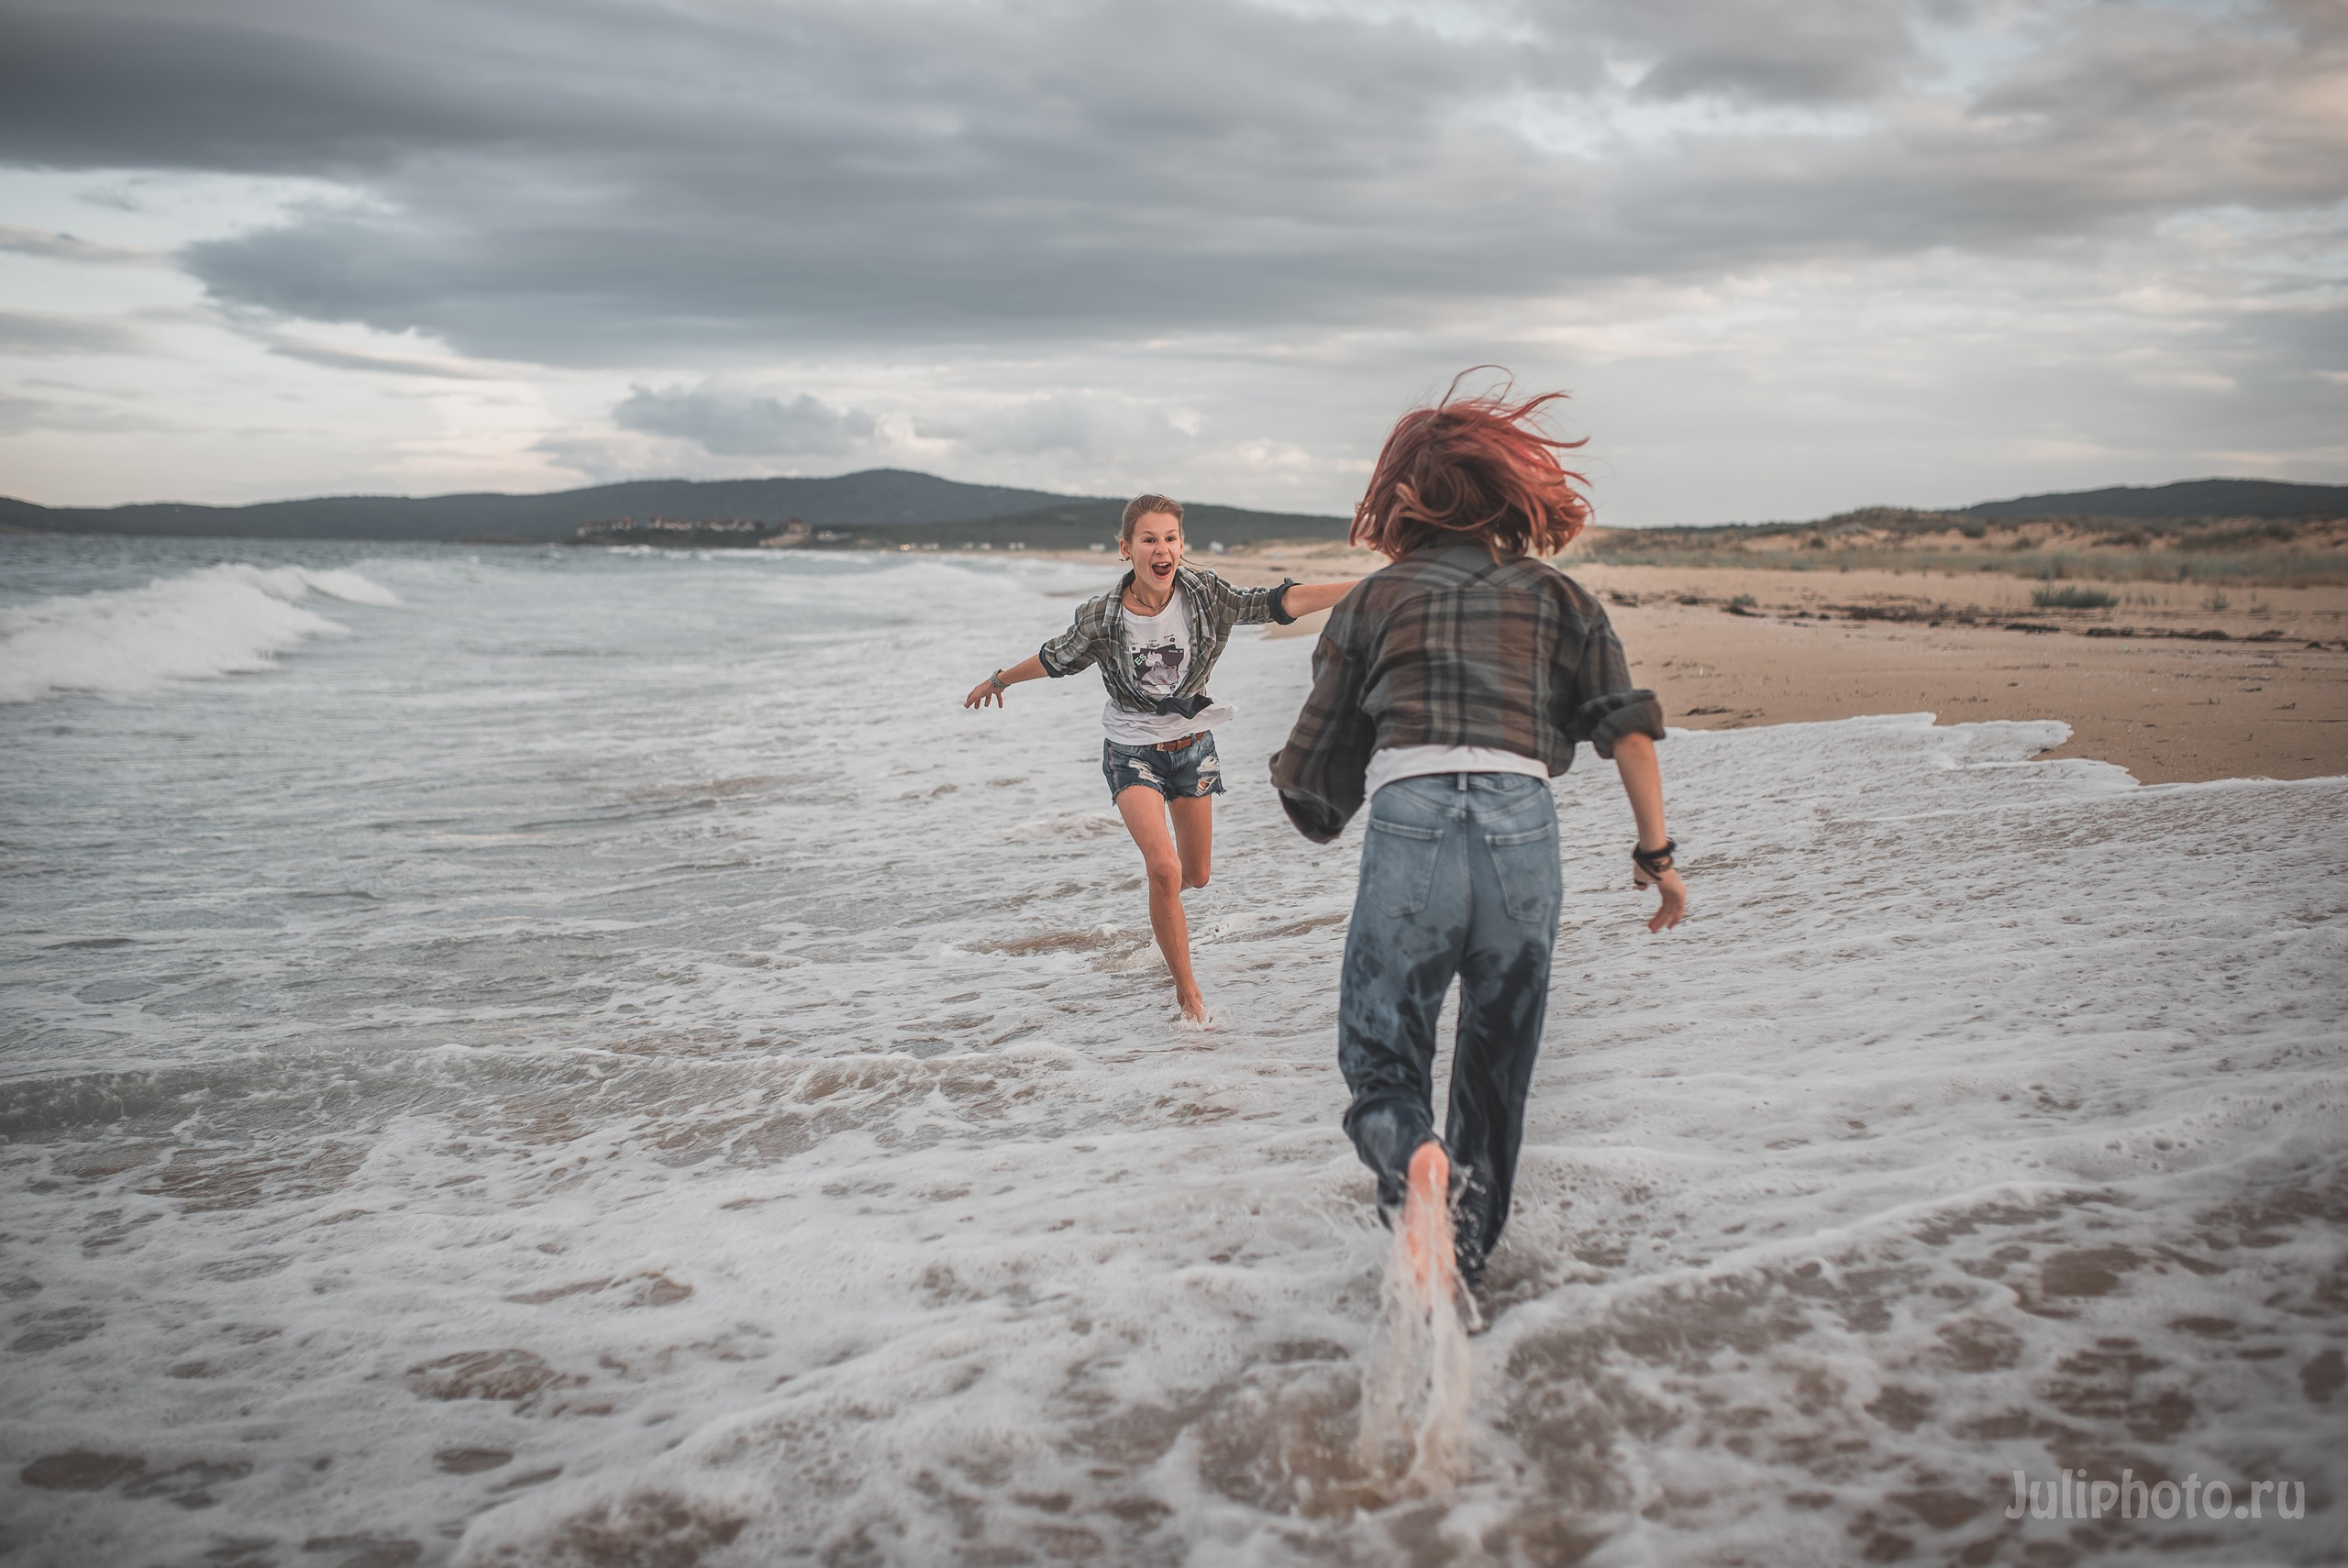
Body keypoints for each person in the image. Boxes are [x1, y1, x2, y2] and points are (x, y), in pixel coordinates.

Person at [1270, 383, 1688, 1297]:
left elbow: (1313, 762)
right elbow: (1626, 724)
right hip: (1521, 829)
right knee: (1497, 1067)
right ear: (1505, 491)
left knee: (1382, 1054)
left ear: (1400, 495)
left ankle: (1411, 1160)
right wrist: (1656, 856)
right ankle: (1459, 1272)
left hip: (1411, 821)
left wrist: (1313, 803)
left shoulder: (1373, 601)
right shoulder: (1559, 596)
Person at [965, 495, 1355, 1022]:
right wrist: (998, 679)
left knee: (1196, 875)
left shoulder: (1204, 596)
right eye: (1149, 539)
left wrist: (1360, 588)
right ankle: (1188, 993)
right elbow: (1055, 658)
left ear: (1181, 546)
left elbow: (1274, 603)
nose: (1162, 548)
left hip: (1192, 748)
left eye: (1170, 538)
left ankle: (1161, 923)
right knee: (1165, 869)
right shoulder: (1102, 619)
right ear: (1127, 549)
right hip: (1132, 752)